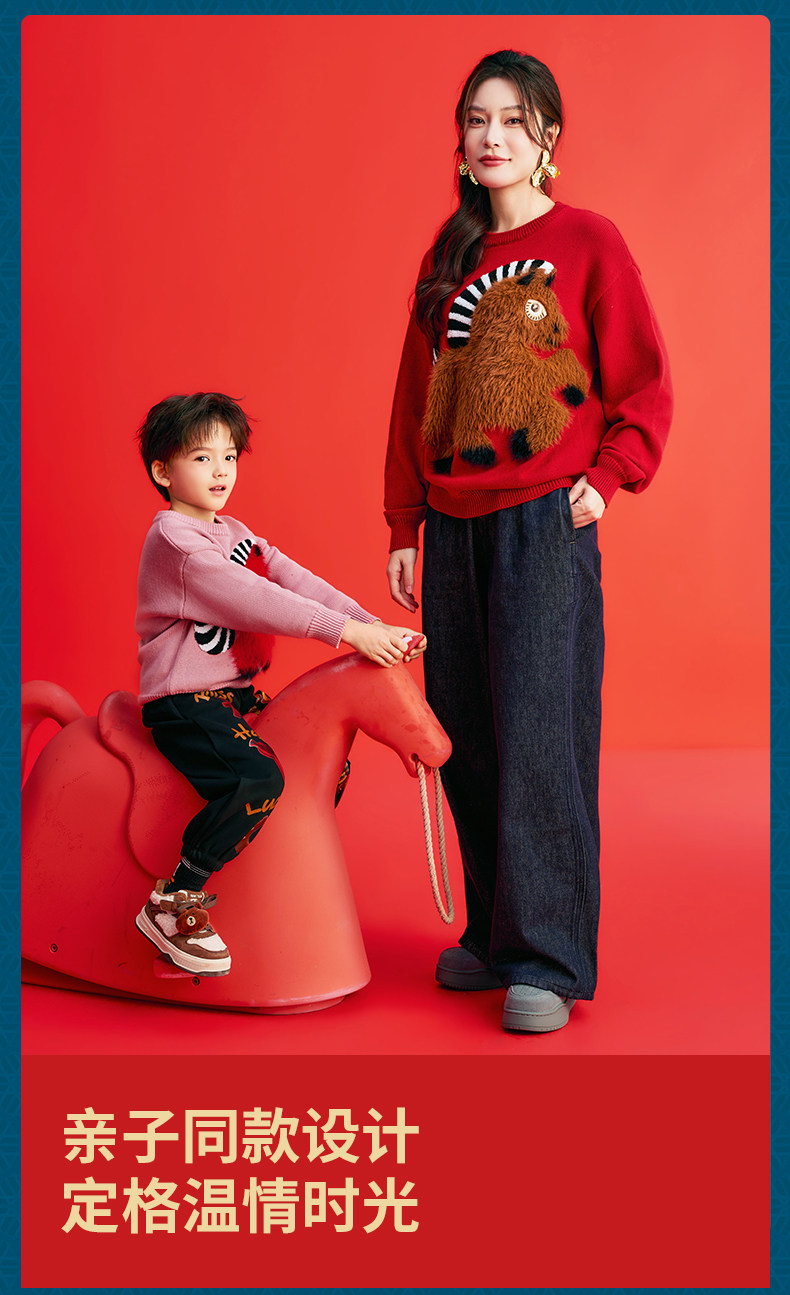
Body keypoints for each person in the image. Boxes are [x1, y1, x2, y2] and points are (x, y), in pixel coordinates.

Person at [384, 49, 672, 1033]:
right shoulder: (449, 252)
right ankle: (496, 936)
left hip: (544, 519)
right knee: (466, 733)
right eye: (476, 119)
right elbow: (414, 398)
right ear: (460, 142)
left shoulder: (589, 241)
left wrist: (609, 477)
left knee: (542, 735)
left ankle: (548, 956)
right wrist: (404, 521)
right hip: (452, 525)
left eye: (513, 119)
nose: (492, 136)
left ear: (548, 137)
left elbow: (643, 381)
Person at [135, 391, 425, 976]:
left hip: (234, 695)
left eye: (229, 457)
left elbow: (297, 582)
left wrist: (371, 626)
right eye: (201, 458)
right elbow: (256, 598)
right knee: (258, 775)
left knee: (324, 763)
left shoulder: (234, 533)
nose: (220, 471)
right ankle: (175, 898)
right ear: (163, 472)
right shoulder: (175, 541)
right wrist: (345, 634)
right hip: (184, 701)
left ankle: (258, 873)